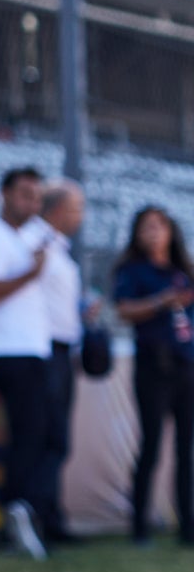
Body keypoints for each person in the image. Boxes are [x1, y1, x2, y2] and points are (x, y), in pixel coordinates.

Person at [0, 166, 53, 560]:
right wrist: (30, 273)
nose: (31, 203)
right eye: (24, 194)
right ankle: (15, 517)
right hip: (9, 353)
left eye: (36, 196)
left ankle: (24, 514)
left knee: (36, 437)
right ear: (4, 194)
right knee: (27, 437)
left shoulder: (28, 235)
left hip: (31, 349)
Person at [111, 205, 194, 545]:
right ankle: (139, 525)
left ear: (171, 231)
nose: (155, 232)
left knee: (185, 450)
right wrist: (161, 301)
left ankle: (187, 525)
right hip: (152, 367)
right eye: (147, 227)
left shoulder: (183, 271)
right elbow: (124, 310)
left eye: (160, 225)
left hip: (186, 366)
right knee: (152, 445)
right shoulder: (133, 271)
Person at [35, 181, 85, 542]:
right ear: (56, 210)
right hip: (45, 350)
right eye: (75, 207)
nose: (80, 216)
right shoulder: (35, 244)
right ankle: (43, 520)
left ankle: (50, 516)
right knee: (49, 439)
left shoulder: (58, 248)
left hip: (62, 350)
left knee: (57, 439)